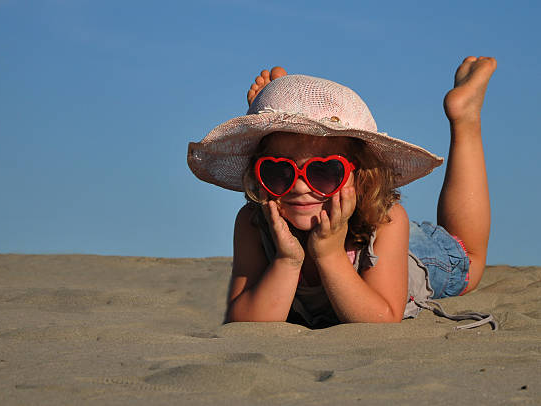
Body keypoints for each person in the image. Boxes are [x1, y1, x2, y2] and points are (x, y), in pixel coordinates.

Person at [187, 57, 497, 328]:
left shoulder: (387, 223)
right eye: (277, 170)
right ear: (257, 173)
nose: (298, 186)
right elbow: (243, 320)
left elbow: (382, 317)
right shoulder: (253, 223)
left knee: (467, 255)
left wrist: (330, 255)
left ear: (360, 175)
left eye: (323, 171)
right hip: (333, 235)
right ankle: (289, 110)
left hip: (390, 247)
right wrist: (287, 261)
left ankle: (465, 118)